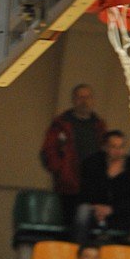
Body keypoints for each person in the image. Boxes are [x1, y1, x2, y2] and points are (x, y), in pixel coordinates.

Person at [74, 130, 130, 251]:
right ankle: (79, 252)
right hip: (96, 211)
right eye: (113, 147)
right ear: (105, 147)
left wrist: (113, 209)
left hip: (123, 213)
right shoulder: (92, 163)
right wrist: (99, 206)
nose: (118, 151)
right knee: (82, 211)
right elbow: (86, 192)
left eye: (121, 147)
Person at [40, 84, 107, 225]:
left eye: (87, 97)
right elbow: (49, 151)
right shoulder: (61, 124)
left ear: (93, 100)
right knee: (69, 224)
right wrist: (61, 170)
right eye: (80, 97)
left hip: (93, 186)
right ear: (73, 100)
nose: (84, 101)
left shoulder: (99, 126)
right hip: (68, 186)